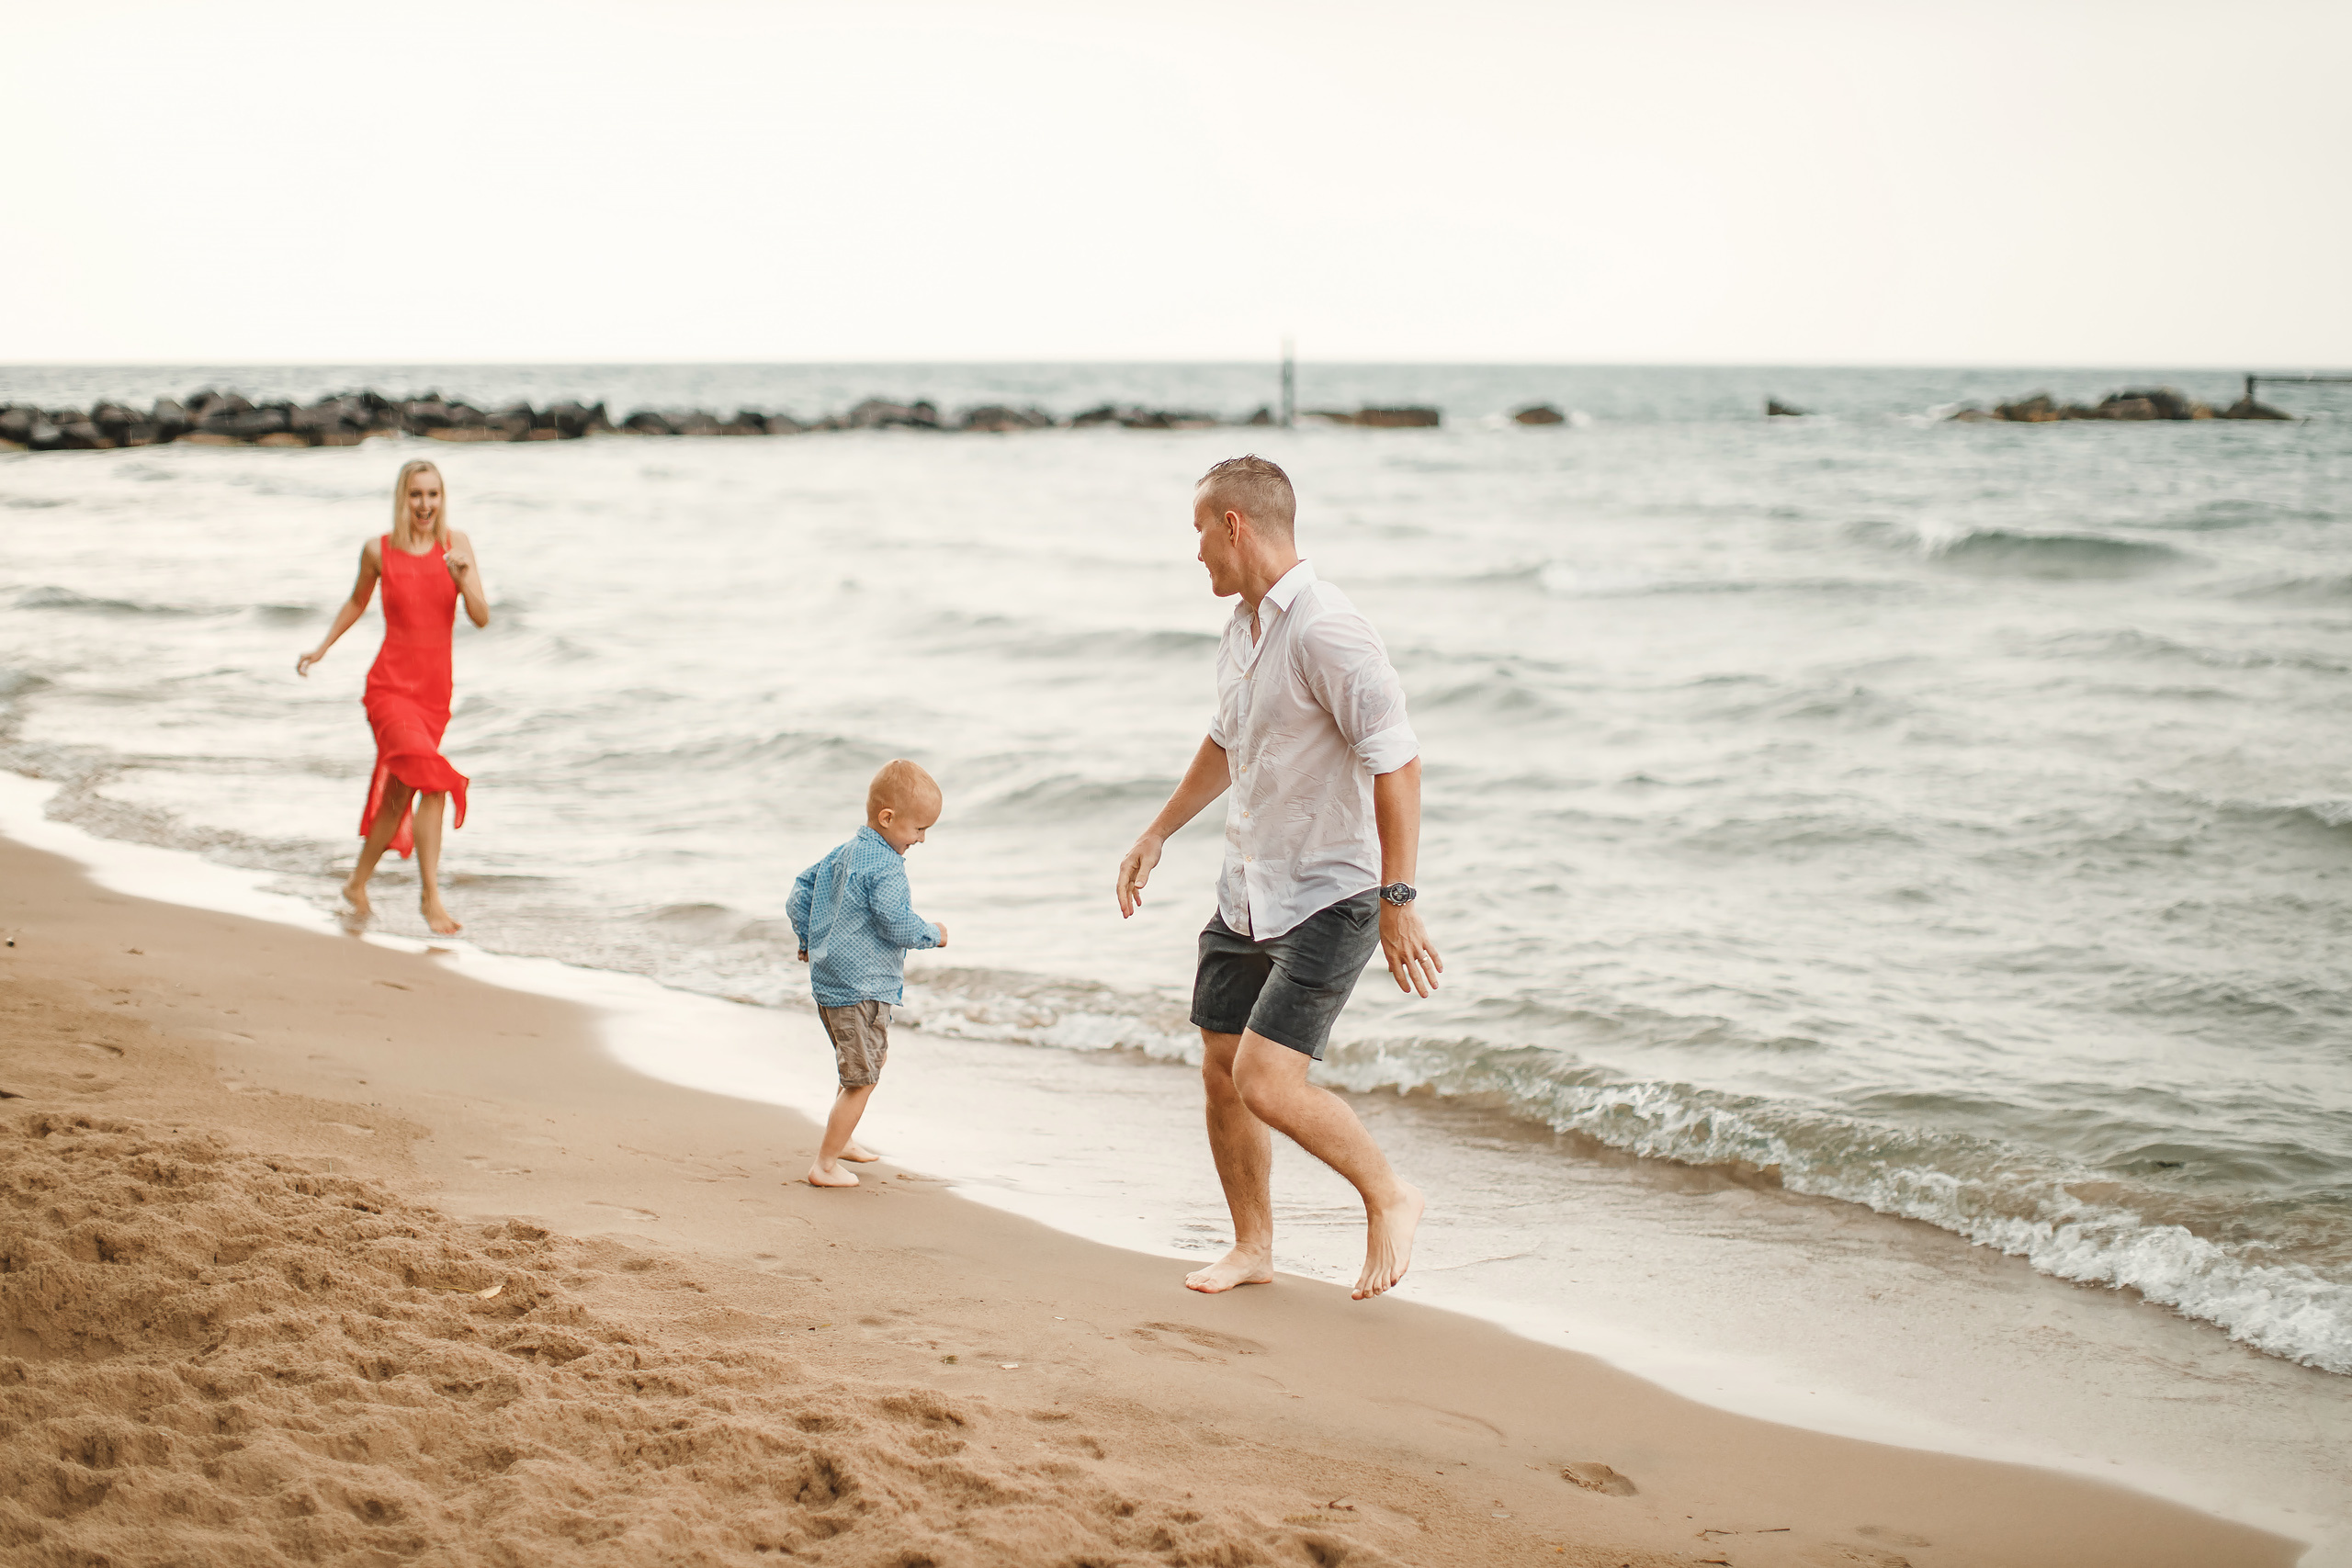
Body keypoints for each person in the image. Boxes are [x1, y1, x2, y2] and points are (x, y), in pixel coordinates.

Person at [1116, 455, 1442, 1302]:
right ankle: (1253, 1245)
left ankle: (1390, 1192)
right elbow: (1228, 743)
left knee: (1265, 1078)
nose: (1196, 556)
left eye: (1199, 534)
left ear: (1235, 526)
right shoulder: (1243, 630)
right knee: (1221, 1064)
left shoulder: (1328, 628)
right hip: (1248, 887)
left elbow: (1397, 762)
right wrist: (1158, 830)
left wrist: (1399, 899)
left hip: (1332, 894)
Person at [297, 459, 489, 936]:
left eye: (433, 495)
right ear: (402, 499)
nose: (425, 505)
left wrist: (463, 577)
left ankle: (356, 883)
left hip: (434, 697)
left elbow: (481, 617)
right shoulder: (378, 551)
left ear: (443, 499)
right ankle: (430, 898)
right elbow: (357, 602)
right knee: (436, 781)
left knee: (399, 794)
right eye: (416, 495)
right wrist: (321, 648)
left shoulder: (456, 546)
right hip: (389, 690)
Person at [788, 759, 949, 1188]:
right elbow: (897, 924)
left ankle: (842, 1140)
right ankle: (823, 1165)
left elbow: (799, 892)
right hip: (862, 987)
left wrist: (808, 940)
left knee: (855, 1068)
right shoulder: (886, 867)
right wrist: (933, 934)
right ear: (888, 818)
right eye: (918, 829)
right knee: (862, 1078)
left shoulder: (844, 852)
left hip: (829, 983)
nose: (922, 839)